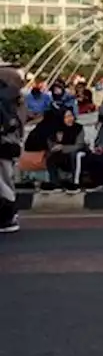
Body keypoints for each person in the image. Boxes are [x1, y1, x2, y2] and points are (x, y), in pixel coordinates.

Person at [0, 65, 26, 232]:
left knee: (3, 181)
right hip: (10, 142)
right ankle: (10, 214)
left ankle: (7, 218)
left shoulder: (3, 97)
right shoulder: (12, 97)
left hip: (3, 142)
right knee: (6, 178)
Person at [45, 108, 87, 190]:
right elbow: (51, 143)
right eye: (66, 117)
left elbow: (79, 145)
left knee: (73, 155)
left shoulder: (78, 128)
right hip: (63, 154)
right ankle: (55, 183)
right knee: (51, 158)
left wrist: (63, 147)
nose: (70, 119)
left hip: (77, 154)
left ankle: (75, 183)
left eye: (71, 116)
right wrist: (54, 147)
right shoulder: (56, 129)